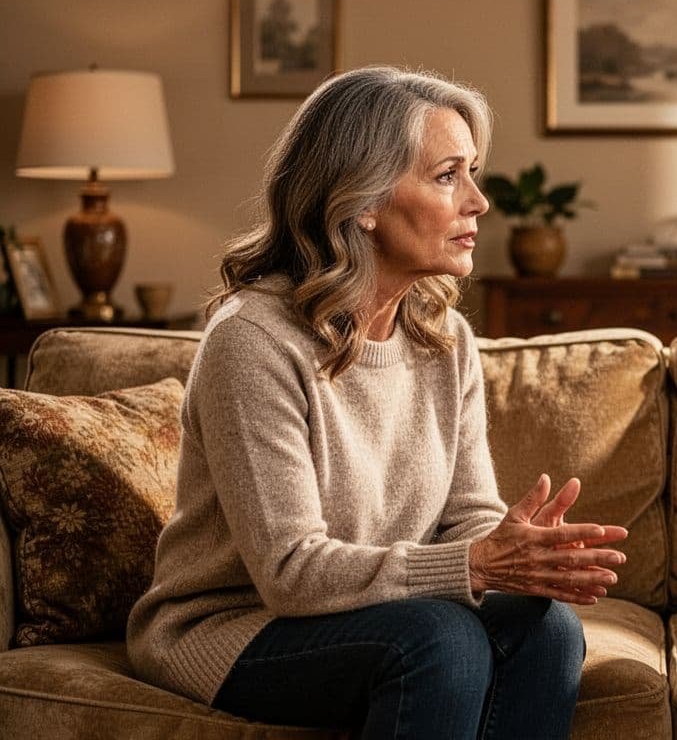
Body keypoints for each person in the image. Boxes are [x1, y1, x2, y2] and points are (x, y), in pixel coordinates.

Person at [126, 66, 628, 740]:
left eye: (472, 173)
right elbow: (289, 573)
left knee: (545, 628)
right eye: (448, 175)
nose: (478, 202)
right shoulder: (253, 340)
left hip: (384, 611)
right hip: (236, 625)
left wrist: (517, 551)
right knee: (439, 640)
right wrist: (479, 564)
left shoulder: (444, 340)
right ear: (362, 200)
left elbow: (466, 517)